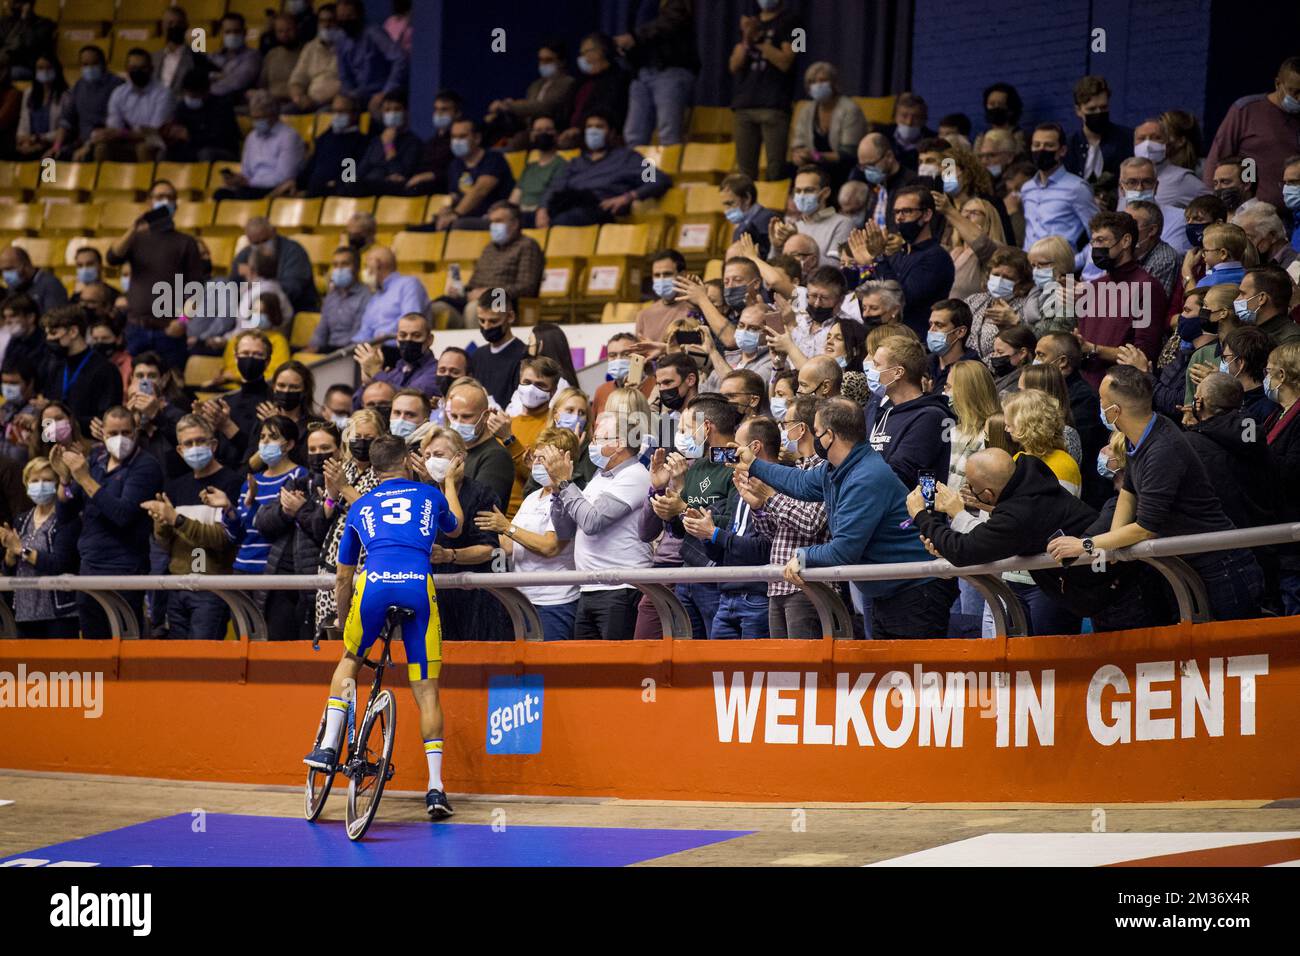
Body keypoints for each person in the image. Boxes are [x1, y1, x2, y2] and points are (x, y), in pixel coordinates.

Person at [304, 434, 460, 820]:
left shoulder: (360, 506)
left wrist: (344, 623)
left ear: (371, 470)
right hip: (417, 587)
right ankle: (436, 788)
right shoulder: (428, 494)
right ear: (408, 461)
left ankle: (327, 745)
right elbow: (454, 528)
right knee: (426, 690)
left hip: (373, 587)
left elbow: (342, 578)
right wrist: (450, 483)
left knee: (351, 660)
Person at [1047, 365, 1263, 621]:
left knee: (1239, 654)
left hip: (1220, 567)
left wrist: (1086, 544)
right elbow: (1129, 491)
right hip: (1189, 567)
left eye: (1102, 401)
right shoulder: (1140, 434)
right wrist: (1113, 543)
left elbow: (1145, 527)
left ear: (1115, 411)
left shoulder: (1163, 448)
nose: (1099, 405)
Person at [737, 396, 953, 637]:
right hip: (889, 589)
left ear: (829, 436)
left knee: (912, 674)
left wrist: (802, 555)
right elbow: (799, 483)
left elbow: (843, 550)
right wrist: (753, 464)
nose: (815, 437)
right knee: (890, 673)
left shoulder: (866, 477)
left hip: (915, 592)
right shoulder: (840, 467)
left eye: (817, 431)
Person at [910, 447, 1145, 634]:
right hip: (1102, 586)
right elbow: (989, 538)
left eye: (973, 487)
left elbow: (964, 550)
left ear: (989, 494)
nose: (970, 491)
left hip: (1115, 595)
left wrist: (921, 515)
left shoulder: (1019, 515)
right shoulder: (1032, 479)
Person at [52, 405, 163, 638]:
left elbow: (122, 514)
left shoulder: (146, 466)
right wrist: (64, 480)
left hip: (124, 570)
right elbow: (66, 514)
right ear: (102, 433)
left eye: (126, 432)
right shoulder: (95, 459)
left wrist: (83, 478)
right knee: (94, 652)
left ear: (136, 432)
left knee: (125, 648)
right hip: (90, 567)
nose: (120, 439)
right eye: (113, 433)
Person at [541, 409, 652, 640]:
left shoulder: (635, 475)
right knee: (588, 670)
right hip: (589, 587)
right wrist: (557, 490)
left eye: (598, 439)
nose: (592, 445)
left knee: (616, 669)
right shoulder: (600, 476)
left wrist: (565, 482)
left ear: (620, 443)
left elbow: (592, 522)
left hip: (621, 589)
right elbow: (565, 530)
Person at [731, 393, 828, 638]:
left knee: (808, 669)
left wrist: (771, 498)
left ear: (801, 429)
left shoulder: (825, 469)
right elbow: (772, 534)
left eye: (785, 425)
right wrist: (758, 507)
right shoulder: (794, 470)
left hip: (809, 585)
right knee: (784, 670)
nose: (782, 432)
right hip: (778, 583)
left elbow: (810, 524)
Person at [142, 414, 243, 639]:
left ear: (214, 445)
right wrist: (162, 523)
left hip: (212, 588)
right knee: (179, 663)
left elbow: (222, 539)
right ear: (179, 450)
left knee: (203, 663)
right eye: (188, 443)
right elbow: (167, 544)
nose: (194, 448)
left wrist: (177, 520)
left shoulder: (231, 482)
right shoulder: (176, 486)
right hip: (177, 585)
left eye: (200, 441)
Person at [475, 426, 578, 642]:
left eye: (544, 458)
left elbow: (550, 546)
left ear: (564, 461)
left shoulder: (570, 497)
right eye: (536, 457)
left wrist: (506, 527)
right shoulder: (533, 497)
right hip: (522, 599)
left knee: (551, 670)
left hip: (554, 602)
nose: (537, 464)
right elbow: (511, 545)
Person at [681, 414, 775, 639]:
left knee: (753, 672)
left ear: (754, 447)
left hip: (756, 598)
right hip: (727, 594)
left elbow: (762, 549)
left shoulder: (772, 488)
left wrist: (714, 533)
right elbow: (724, 550)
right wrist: (706, 533)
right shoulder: (740, 483)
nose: (729, 451)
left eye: (736, 446)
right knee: (715, 671)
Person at [106, 180, 203, 371]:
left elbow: (196, 289)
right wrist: (133, 228)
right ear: (150, 202)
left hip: (169, 330)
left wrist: (182, 321)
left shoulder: (186, 242)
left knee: (171, 385)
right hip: (136, 327)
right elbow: (112, 257)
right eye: (159, 197)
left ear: (176, 205)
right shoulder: (136, 238)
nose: (164, 201)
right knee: (134, 385)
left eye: (169, 197)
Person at [313, 407, 387, 633]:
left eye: (369, 438)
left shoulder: (386, 472)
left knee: (362, 631)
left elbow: (372, 513)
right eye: (357, 438)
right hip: (332, 559)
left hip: (366, 561)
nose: (362, 444)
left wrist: (343, 487)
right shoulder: (343, 467)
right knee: (330, 632)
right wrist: (331, 496)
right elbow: (326, 513)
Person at [1076, 211, 1168, 388]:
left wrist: (1093, 349)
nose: (1096, 248)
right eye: (1093, 242)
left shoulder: (1147, 287)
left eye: (1102, 241)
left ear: (1126, 241)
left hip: (1122, 391)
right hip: (1085, 389)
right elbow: (1083, 342)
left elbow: (1142, 354)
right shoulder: (1094, 287)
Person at [536, 112, 671, 228]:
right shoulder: (575, 163)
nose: (593, 131)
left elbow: (658, 179)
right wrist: (542, 209)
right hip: (569, 207)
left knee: (563, 221)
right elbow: (555, 187)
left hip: (600, 211)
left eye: (599, 127)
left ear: (611, 132)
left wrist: (628, 197)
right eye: (589, 127)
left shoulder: (628, 158)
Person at [854, 186, 955, 337]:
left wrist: (879, 259)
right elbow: (867, 300)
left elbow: (901, 300)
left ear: (926, 214)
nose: (899, 218)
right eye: (896, 212)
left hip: (914, 340)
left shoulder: (936, 257)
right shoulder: (896, 255)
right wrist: (866, 266)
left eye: (906, 211)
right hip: (883, 337)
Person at [1204, 57, 1300, 212]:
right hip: (1250, 216)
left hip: (1294, 216)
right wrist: (1212, 209)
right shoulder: (1246, 110)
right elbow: (1216, 160)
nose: (1299, 98)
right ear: (1278, 84)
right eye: (1294, 91)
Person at [1184, 372, 1272, 533]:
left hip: (1222, 538)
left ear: (1199, 403)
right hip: (1265, 535)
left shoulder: (1191, 444)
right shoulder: (1253, 430)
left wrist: (1196, 429)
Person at [0, 455, 78, 636]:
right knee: (27, 665)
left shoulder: (65, 518)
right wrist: (10, 554)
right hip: (25, 611)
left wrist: (21, 550)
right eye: (35, 480)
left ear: (57, 483)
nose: (41, 485)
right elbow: (10, 568)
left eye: (47, 480)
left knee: (63, 665)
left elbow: (61, 564)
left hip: (58, 614)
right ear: (27, 485)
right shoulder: (21, 520)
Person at [432, 202, 543, 328]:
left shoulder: (527, 245)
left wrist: (490, 293)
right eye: (492, 222)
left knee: (475, 309)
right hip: (477, 299)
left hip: (505, 300)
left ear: (515, 224)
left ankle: (481, 347)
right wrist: (461, 291)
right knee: (436, 308)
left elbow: (527, 287)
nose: (494, 226)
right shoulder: (489, 248)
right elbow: (474, 283)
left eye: (499, 221)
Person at [728, 0, 799, 182]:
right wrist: (747, 38)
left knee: (776, 170)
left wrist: (759, 41)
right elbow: (734, 65)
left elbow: (786, 62)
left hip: (774, 105)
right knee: (745, 173)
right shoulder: (750, 23)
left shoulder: (793, 22)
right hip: (745, 104)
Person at [866, 334, 949, 489]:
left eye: (877, 365)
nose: (871, 371)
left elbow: (900, 473)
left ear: (898, 372)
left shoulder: (930, 417)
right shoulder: (887, 412)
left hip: (908, 511)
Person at [617, 0, 698, 147]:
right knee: (634, 135)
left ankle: (665, 170)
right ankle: (642, 171)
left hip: (670, 70)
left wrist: (634, 37)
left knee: (668, 134)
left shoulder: (673, 4)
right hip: (641, 72)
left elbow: (670, 22)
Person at [39, 306, 123, 434]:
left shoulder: (106, 370)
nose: (49, 339)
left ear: (73, 331)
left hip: (89, 445)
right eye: (47, 334)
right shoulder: (56, 367)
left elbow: (106, 420)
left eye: (54, 333)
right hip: (55, 441)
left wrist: (67, 423)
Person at [1020, 122, 1099, 251]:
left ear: (1062, 150)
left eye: (1049, 145)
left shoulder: (1077, 188)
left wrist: (1074, 263)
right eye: (1036, 145)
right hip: (1030, 267)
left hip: (1064, 269)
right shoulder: (1027, 188)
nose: (1041, 150)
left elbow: (1098, 235)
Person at [213, 92, 305, 201]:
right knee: (220, 194)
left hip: (274, 188)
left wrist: (250, 182)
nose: (256, 122)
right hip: (251, 187)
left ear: (273, 116)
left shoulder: (289, 137)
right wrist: (238, 179)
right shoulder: (251, 138)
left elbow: (285, 177)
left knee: (243, 195)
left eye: (260, 118)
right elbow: (247, 171)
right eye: (253, 118)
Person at [426, 118, 514, 229]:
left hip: (492, 219)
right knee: (420, 229)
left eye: (462, 136)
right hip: (465, 217)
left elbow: (480, 190)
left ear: (477, 138)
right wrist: (446, 210)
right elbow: (455, 195)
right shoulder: (455, 165)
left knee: (456, 225)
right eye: (454, 137)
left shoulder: (493, 159)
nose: (457, 141)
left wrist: (456, 214)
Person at [485, 41, 576, 150]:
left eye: (548, 60)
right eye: (541, 60)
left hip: (552, 133)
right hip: (529, 132)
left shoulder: (568, 83)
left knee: (516, 143)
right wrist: (500, 113)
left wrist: (509, 106)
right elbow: (526, 113)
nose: (543, 64)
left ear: (562, 61)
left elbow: (544, 107)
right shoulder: (535, 85)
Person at [790, 61, 865, 190]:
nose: (817, 85)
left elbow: (849, 153)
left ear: (834, 83)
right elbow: (798, 145)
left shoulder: (850, 109)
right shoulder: (806, 110)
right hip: (813, 166)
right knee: (791, 171)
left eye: (823, 80)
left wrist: (817, 156)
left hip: (842, 166)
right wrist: (799, 156)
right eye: (813, 82)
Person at [1264, 341, 1300, 612]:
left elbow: (1292, 470)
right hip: (1276, 528)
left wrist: (1257, 455)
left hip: (1293, 533)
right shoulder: (1276, 415)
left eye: (1268, 372)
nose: (1266, 378)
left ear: (1282, 376)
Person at [443, 381, 514, 510]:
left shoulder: (496, 457)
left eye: (466, 416)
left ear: (485, 416)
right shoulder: (453, 451)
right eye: (454, 416)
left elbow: (478, 508)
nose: (458, 423)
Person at [96, 47, 174, 162]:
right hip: (126, 141)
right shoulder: (119, 93)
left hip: (156, 142)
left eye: (142, 68)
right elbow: (114, 127)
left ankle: (147, 180)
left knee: (143, 148)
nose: (137, 71)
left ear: (151, 69)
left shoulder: (163, 93)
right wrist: (116, 134)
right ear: (127, 69)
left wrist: (122, 133)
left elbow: (153, 132)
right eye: (133, 68)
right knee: (101, 148)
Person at [230, 218, 319, 314]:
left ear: (273, 232)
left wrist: (257, 291)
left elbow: (292, 288)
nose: (261, 246)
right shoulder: (244, 256)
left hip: (294, 311)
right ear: (249, 240)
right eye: (256, 243)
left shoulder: (293, 252)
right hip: (255, 310)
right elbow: (234, 284)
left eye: (265, 240)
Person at [557, 33, 630, 150]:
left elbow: (610, 111)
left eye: (585, 52)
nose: (581, 58)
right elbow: (564, 111)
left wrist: (580, 128)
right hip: (570, 134)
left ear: (600, 52)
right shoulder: (579, 82)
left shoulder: (618, 79)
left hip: (596, 133)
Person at [1003, 388, 1081, 496]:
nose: (1006, 430)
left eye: (1009, 425)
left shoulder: (1063, 466)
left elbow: (1058, 510)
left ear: (1025, 426)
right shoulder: (1018, 458)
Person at [50, 44, 121, 161]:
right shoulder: (79, 86)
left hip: (104, 141)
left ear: (103, 63)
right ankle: (47, 179)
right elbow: (66, 120)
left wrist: (89, 145)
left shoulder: (116, 86)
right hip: (81, 141)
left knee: (87, 155)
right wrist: (56, 147)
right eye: (85, 64)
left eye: (94, 63)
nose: (89, 68)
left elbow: (114, 125)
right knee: (51, 160)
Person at [773, 165, 853, 266]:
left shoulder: (843, 224)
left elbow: (836, 266)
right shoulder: (794, 227)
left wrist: (798, 241)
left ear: (825, 193)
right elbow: (776, 270)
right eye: (798, 191)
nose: (802, 195)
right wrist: (776, 247)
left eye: (809, 190)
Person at [354, 311, 439, 404]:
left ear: (429, 340)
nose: (408, 339)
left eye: (416, 335)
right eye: (403, 335)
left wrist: (376, 373)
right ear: (397, 339)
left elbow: (411, 400)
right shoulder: (396, 371)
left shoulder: (436, 371)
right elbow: (357, 406)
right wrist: (367, 383)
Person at [350, 246, 430, 344]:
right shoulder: (375, 297)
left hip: (399, 348)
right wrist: (350, 348)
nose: (365, 271)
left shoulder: (409, 284)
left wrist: (381, 337)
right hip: (375, 348)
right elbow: (365, 331)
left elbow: (411, 322)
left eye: (367, 266)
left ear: (377, 264)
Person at [161, 68, 240, 164]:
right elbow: (178, 129)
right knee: (164, 153)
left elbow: (223, 139)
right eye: (188, 94)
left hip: (220, 150)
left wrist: (190, 136)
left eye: (194, 96)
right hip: (190, 148)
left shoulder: (222, 106)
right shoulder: (182, 107)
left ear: (206, 91)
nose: (190, 99)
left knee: (205, 154)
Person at [938, 192, 1008, 301]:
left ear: (988, 221)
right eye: (964, 212)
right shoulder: (952, 251)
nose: (965, 216)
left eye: (974, 213)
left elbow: (981, 243)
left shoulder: (996, 249)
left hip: (974, 315)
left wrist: (949, 210)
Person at [1064, 75, 1132, 184]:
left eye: (1104, 107)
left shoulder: (1127, 139)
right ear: (1078, 111)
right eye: (1091, 109)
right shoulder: (1069, 146)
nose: (1098, 112)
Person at [467, 291, 529, 409]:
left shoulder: (523, 356)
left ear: (510, 317)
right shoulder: (478, 355)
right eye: (481, 320)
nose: (486, 326)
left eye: (493, 321)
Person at [310, 247, 371, 351]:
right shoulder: (331, 296)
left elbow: (358, 336)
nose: (339, 269)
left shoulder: (366, 296)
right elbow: (322, 329)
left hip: (350, 352)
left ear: (357, 268)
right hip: (328, 351)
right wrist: (312, 348)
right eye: (335, 265)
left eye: (345, 264)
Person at [510, 115, 568, 222]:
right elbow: (515, 197)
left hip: (539, 214)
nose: (543, 134)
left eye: (548, 130)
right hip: (520, 215)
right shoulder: (530, 167)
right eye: (538, 130)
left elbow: (553, 195)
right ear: (532, 136)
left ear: (556, 135)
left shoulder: (562, 165)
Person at [14, 51, 66, 158]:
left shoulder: (65, 96)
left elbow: (65, 129)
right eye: (40, 68)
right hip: (30, 142)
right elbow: (23, 122)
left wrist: (40, 138)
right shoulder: (29, 93)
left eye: (48, 68)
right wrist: (23, 139)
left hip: (52, 144)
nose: (45, 71)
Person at [1235, 266, 1300, 346]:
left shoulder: (1290, 340)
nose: (1237, 299)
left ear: (1261, 298)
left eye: (1243, 294)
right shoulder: (1251, 332)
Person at [720, 173, 777, 258]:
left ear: (747, 198)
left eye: (730, 203)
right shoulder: (740, 226)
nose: (727, 209)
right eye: (725, 204)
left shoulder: (767, 219)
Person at [0, 246, 65, 317]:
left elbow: (55, 319)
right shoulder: (12, 288)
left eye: (9, 269)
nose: (5, 274)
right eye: (2, 270)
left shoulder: (50, 285)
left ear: (25, 265)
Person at [1235, 203, 1299, 276]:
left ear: (1272, 236)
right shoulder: (1264, 262)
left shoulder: (1293, 264)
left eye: (1249, 238)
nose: (1244, 245)